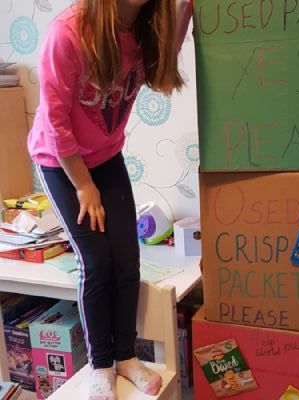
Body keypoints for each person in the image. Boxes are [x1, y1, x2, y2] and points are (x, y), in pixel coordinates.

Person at [27, 0, 191, 398]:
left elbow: (164, 61)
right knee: (97, 261)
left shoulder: (146, 27)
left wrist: (186, 9)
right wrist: (84, 186)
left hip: (105, 157)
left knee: (127, 257)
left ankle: (126, 356)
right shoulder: (69, 33)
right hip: (61, 161)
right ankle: (100, 364)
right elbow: (56, 122)